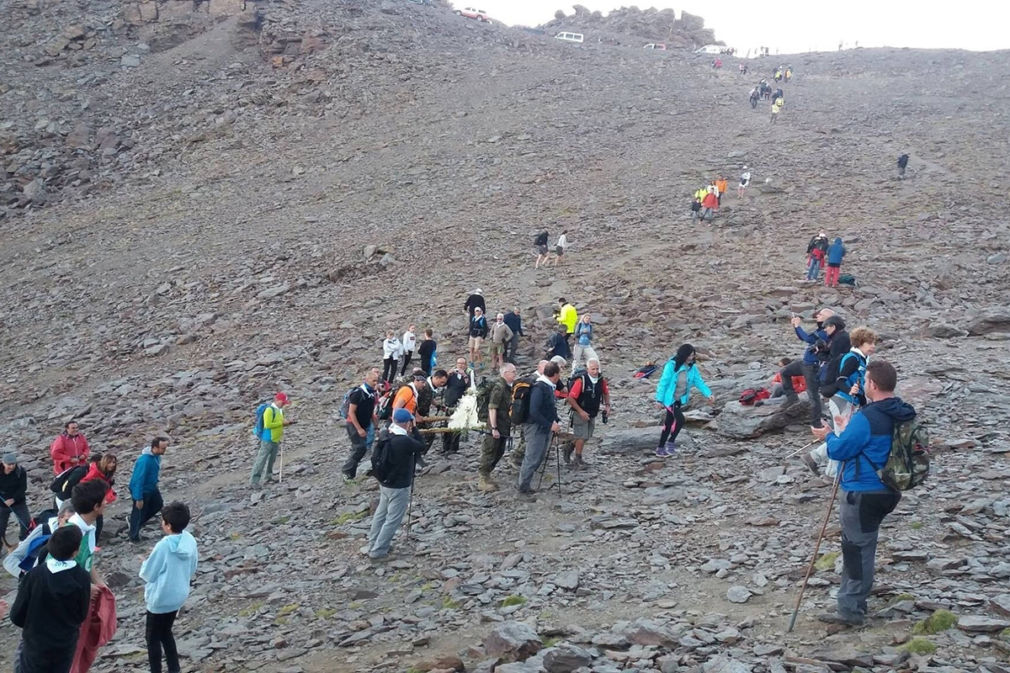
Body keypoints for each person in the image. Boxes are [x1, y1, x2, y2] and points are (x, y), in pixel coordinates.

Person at [811, 360, 913, 626]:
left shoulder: (867, 417)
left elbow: (840, 450)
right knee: (864, 545)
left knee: (856, 550)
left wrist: (829, 436)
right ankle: (854, 602)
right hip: (889, 489)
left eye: (866, 380)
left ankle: (851, 610)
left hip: (862, 491)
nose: (863, 384)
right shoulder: (902, 411)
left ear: (874, 385)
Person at [9, 525, 91, 673]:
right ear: (76, 551)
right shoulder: (82, 577)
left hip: (35, 645)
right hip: (64, 646)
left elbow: (16, 615)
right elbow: (81, 615)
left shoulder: (34, 575)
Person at [803, 327, 877, 477]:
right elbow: (841, 380)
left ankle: (813, 457)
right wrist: (849, 391)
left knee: (842, 436)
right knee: (842, 438)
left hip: (849, 401)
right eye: (870, 343)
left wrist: (863, 404)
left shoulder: (862, 359)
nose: (873, 346)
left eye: (873, 343)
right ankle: (831, 474)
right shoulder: (852, 358)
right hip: (841, 400)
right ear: (860, 343)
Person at [139, 501, 198, 673]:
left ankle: (155, 670)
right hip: (178, 594)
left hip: (160, 597)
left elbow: (150, 574)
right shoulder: (189, 540)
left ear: (168, 525)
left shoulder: (164, 545)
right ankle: (174, 668)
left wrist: (145, 562)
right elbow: (193, 566)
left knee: (152, 638)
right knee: (166, 632)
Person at [363, 408, 424, 560]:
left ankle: (373, 543)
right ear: (407, 423)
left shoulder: (386, 434)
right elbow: (421, 445)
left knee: (380, 515)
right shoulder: (404, 441)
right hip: (399, 485)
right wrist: (415, 428)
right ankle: (378, 551)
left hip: (385, 482)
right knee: (393, 519)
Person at [654, 344, 714, 456]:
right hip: (669, 399)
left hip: (679, 399)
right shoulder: (671, 366)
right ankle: (670, 443)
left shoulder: (692, 368)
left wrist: (708, 394)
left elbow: (699, 382)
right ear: (683, 355)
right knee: (680, 420)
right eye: (689, 355)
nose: (691, 358)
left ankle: (660, 448)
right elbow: (663, 383)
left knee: (668, 423)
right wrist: (659, 400)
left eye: (693, 355)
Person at [780, 309, 834, 428]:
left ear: (828, 319)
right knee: (784, 372)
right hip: (804, 363)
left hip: (813, 366)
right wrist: (796, 327)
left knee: (813, 395)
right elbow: (805, 337)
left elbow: (808, 339)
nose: (817, 316)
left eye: (820, 315)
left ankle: (816, 423)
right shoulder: (820, 330)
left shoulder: (826, 333)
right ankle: (792, 399)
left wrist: (798, 326)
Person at [517, 362, 562, 495]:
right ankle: (523, 487)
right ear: (554, 375)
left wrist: (556, 419)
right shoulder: (539, 387)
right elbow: (534, 411)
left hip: (544, 427)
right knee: (532, 457)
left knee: (538, 456)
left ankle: (525, 484)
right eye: (559, 373)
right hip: (535, 428)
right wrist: (550, 425)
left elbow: (549, 407)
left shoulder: (547, 386)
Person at [4, 501, 75, 580]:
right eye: (68, 522)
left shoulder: (85, 533)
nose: (73, 527)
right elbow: (10, 560)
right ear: (59, 518)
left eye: (77, 523)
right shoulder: (44, 530)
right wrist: (28, 576)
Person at [478, 363, 517, 492]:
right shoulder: (499, 387)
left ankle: (488, 474)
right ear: (505, 373)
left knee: (499, 451)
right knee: (490, 451)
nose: (515, 374)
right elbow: (492, 407)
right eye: (513, 372)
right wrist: (493, 427)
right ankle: (482, 478)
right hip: (495, 424)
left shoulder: (507, 387)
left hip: (504, 424)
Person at [566, 358, 610, 468]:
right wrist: (580, 411)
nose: (595, 371)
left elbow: (605, 392)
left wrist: (607, 406)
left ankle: (569, 447)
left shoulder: (601, 380)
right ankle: (578, 458)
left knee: (587, 436)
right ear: (587, 369)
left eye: (597, 369)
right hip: (579, 412)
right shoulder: (581, 381)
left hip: (592, 412)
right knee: (581, 436)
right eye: (593, 369)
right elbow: (570, 398)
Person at [129, 437, 169, 542]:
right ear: (155, 447)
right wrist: (138, 497)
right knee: (138, 511)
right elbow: (138, 479)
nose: (165, 450)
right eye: (163, 448)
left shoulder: (156, 457)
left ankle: (138, 523)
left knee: (158, 504)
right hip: (142, 489)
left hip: (152, 487)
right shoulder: (144, 461)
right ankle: (134, 536)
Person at [342, 368, 380, 481]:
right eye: (373, 381)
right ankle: (347, 472)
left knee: (360, 448)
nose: (375, 383)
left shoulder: (372, 393)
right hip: (353, 424)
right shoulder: (358, 393)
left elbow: (371, 411)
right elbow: (351, 412)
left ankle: (350, 473)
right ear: (366, 379)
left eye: (376, 381)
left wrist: (376, 426)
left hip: (364, 423)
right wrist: (359, 429)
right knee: (360, 448)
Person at [251, 392, 292, 489]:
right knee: (262, 459)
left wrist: (286, 423)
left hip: (276, 439)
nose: (284, 404)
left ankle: (268, 477)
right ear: (277, 400)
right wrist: (282, 423)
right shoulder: (269, 410)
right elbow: (268, 425)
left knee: (272, 459)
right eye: (283, 402)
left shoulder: (280, 410)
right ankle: (254, 480)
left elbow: (278, 422)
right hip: (267, 439)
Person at [79, 453, 117, 541]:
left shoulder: (107, 473)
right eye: (109, 462)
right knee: (89, 520)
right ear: (104, 462)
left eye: (114, 462)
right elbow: (83, 483)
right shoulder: (95, 472)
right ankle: (88, 541)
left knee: (99, 519)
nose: (112, 465)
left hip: (97, 499)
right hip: (90, 499)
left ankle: (94, 541)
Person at [441, 358, 473, 454]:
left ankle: (454, 448)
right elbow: (443, 383)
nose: (460, 365)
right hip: (448, 402)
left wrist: (463, 374)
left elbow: (470, 387)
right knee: (446, 425)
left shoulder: (467, 376)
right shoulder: (451, 375)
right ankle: (445, 446)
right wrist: (448, 374)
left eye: (463, 364)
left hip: (459, 404)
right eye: (459, 363)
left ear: (466, 365)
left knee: (457, 426)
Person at [1, 452, 31, 545]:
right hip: (2, 504)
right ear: (3, 463)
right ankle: (2, 544)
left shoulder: (21, 471)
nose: (11, 466)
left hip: (18, 501)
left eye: (13, 464)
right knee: (1, 526)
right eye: (8, 464)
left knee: (26, 522)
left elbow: (23, 488)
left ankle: (23, 540)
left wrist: (13, 499)